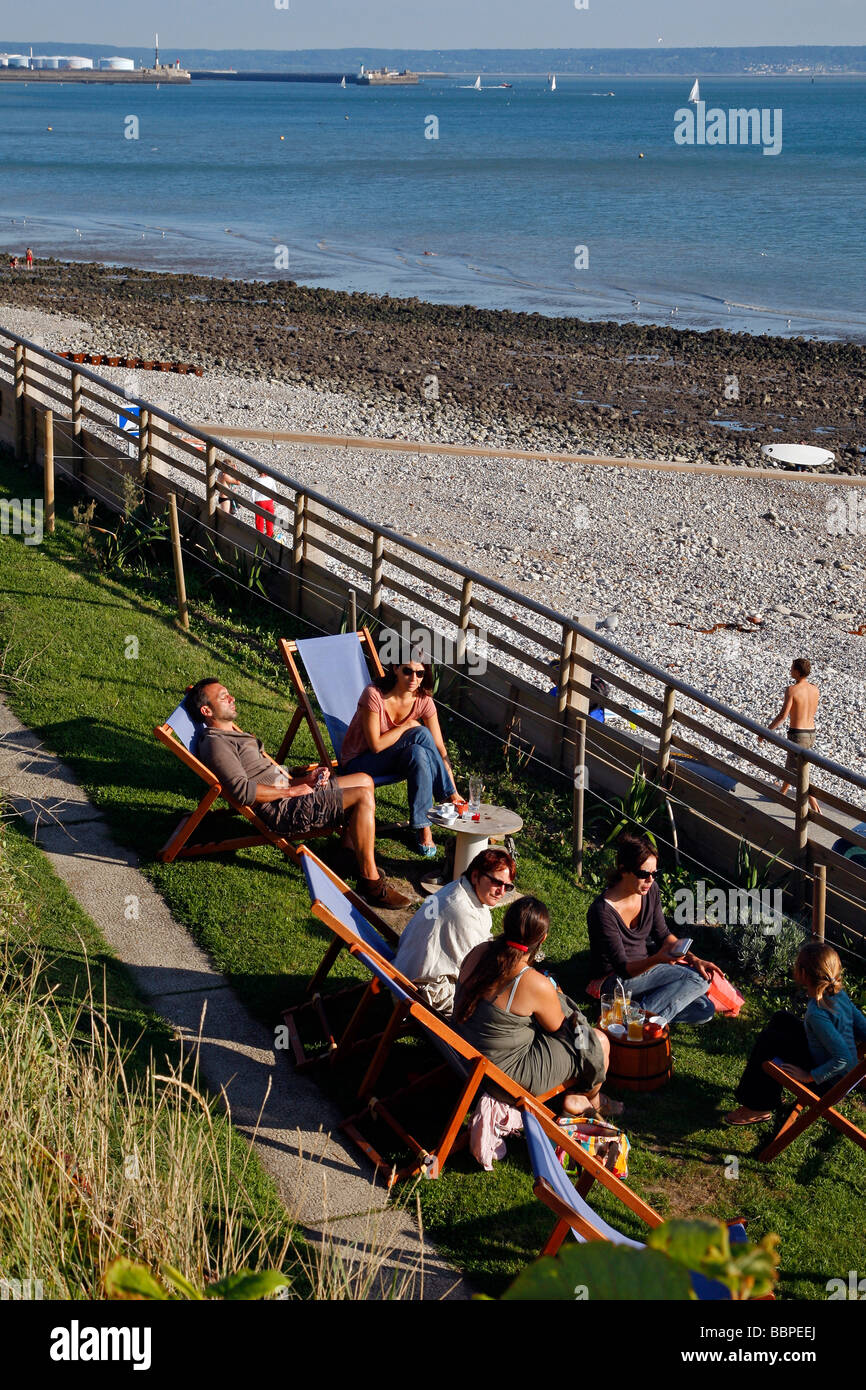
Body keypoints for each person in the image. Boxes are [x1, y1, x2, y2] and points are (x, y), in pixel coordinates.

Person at [186, 677, 410, 909]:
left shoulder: (232, 734)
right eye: (223, 697)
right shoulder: (216, 743)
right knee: (363, 796)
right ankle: (370, 883)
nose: (232, 698)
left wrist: (304, 778)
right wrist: (293, 791)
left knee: (365, 780)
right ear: (206, 710)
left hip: (287, 793)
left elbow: (268, 774)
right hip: (280, 810)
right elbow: (243, 791)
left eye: (228, 693)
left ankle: (345, 854)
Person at [454, 896, 614, 1115]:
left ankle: (582, 1097)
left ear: (505, 925)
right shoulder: (531, 982)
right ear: (543, 938)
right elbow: (561, 1030)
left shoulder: (479, 951)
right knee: (597, 1040)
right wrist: (556, 997)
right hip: (501, 1079)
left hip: (462, 1056)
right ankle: (589, 1099)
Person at [339, 643, 461, 857]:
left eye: (420, 673)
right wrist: (407, 727)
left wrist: (455, 787)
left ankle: (425, 824)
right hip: (359, 763)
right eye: (408, 670)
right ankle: (444, 802)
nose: (414, 678)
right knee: (420, 734)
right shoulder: (374, 695)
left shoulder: (423, 700)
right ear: (395, 667)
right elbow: (375, 745)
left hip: (394, 759)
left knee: (419, 753)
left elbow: (440, 748)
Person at [725, 941, 866, 1125]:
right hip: (832, 1068)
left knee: (770, 1041)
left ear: (804, 974)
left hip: (826, 1083)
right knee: (781, 1018)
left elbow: (843, 1058)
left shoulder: (818, 1013)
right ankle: (767, 1093)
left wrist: (809, 1076)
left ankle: (758, 1107)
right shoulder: (838, 995)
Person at [587, 830, 717, 1026]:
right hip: (616, 980)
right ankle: (637, 1020)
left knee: (704, 1009)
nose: (650, 880)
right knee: (698, 980)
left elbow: (663, 935)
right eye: (643, 874)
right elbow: (623, 969)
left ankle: (631, 1014)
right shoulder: (602, 911)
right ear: (623, 870)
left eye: (654, 873)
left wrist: (694, 958)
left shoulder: (650, 891)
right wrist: (658, 959)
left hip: (647, 972)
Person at [394, 847, 517, 1015]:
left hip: (405, 971)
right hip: (422, 993)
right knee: (498, 1009)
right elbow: (476, 971)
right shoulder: (462, 911)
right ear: (475, 876)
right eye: (497, 882)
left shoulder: (460, 889)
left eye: (507, 887)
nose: (501, 892)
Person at [758, 657, 820, 815]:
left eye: (792, 668)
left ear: (798, 672)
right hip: (811, 733)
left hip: (798, 734)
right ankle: (782, 793)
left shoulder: (792, 690)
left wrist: (766, 731)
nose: (790, 670)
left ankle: (815, 807)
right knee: (793, 766)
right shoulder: (815, 689)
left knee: (797, 771)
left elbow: (783, 716)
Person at [253, 472, 275, 538]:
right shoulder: (271, 479)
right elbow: (274, 491)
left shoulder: (256, 480)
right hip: (269, 501)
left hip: (260, 502)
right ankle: (270, 535)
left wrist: (253, 501)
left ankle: (260, 536)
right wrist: (272, 501)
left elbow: (252, 493)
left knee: (259, 520)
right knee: (270, 520)